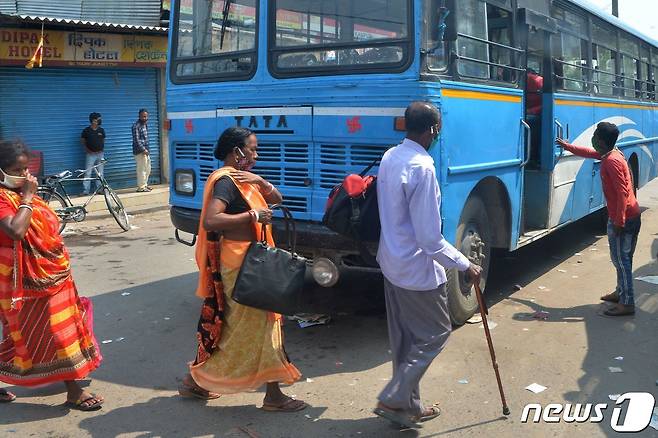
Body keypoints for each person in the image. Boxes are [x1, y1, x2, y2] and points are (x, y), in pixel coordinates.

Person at [178, 127, 306, 412]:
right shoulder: (226, 181)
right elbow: (212, 220)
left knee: (249, 328)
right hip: (240, 265)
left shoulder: (245, 180)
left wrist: (259, 180)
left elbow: (277, 200)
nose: (256, 155)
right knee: (260, 327)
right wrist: (252, 215)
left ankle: (196, 382)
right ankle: (270, 395)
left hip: (251, 261)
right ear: (236, 151)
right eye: (252, 149)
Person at [373, 102, 482, 428]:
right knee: (435, 333)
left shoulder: (391, 156)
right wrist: (466, 264)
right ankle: (395, 396)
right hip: (416, 271)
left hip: (391, 262)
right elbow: (430, 239)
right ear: (433, 129)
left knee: (406, 339)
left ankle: (408, 405)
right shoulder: (423, 168)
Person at [0, 140, 104, 410]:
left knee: (52, 330)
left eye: (26, 169)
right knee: (40, 333)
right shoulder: (5, 197)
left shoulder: (24, 192)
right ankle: (73, 390)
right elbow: (16, 231)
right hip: (18, 281)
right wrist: (27, 198)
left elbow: (47, 226)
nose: (23, 175)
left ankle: (71, 386)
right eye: (16, 170)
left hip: (52, 274)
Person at [557, 123, 641, 317]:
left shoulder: (612, 161)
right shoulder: (610, 153)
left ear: (601, 141)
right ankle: (620, 292)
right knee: (620, 258)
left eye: (595, 136)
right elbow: (588, 152)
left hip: (625, 218)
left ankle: (627, 303)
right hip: (626, 215)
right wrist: (569, 147)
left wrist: (619, 221)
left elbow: (622, 193)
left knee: (622, 260)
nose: (593, 139)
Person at [80, 112, 106, 195]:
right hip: (90, 155)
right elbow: (82, 141)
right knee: (88, 172)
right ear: (93, 120)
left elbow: (103, 140)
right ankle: (85, 191)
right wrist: (87, 149)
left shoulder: (101, 130)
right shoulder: (86, 131)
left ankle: (99, 189)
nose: (100, 120)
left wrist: (101, 149)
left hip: (100, 154)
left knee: (100, 173)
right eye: (99, 119)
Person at [132, 109, 152, 192]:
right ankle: (141, 187)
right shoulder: (136, 126)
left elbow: (145, 139)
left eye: (146, 116)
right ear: (139, 116)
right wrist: (143, 150)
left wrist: (147, 150)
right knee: (141, 169)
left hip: (146, 151)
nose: (145, 118)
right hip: (140, 151)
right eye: (143, 116)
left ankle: (145, 184)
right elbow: (136, 140)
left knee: (148, 168)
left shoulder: (145, 125)